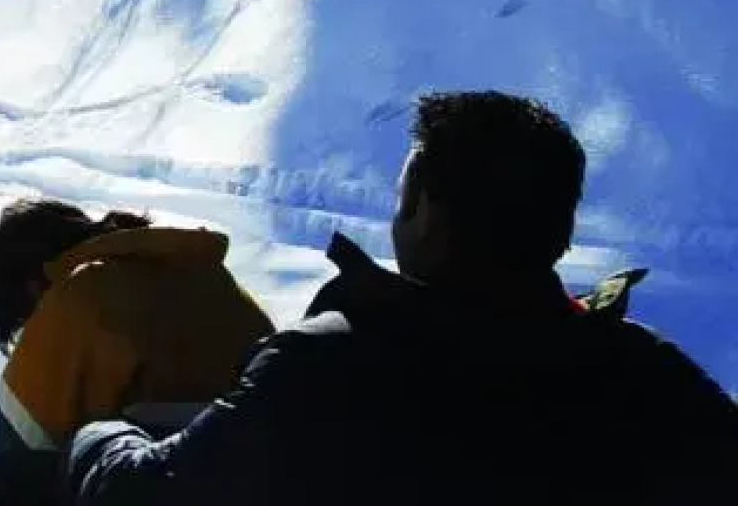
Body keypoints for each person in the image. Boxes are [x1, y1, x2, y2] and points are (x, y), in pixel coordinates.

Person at [64, 90, 738, 505]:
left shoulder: (325, 367)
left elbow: (141, 494)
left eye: (404, 197)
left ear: (423, 215)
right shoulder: (646, 371)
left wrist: (100, 435)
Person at [0, 198, 273, 505]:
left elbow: (11, 454)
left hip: (177, 488)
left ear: (33, 288)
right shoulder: (214, 280)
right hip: (267, 478)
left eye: (23, 329)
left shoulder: (85, 291)